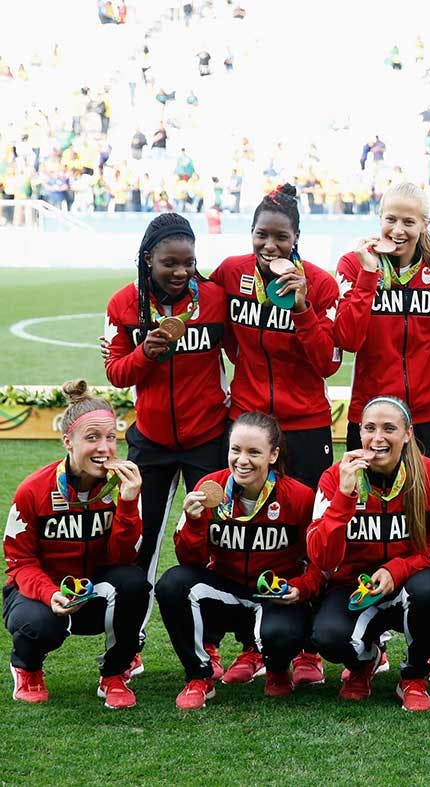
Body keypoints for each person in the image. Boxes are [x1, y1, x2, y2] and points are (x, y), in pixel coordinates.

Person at [104, 212, 228, 647]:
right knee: (139, 545)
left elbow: (244, 352)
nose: (180, 272)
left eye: (188, 263)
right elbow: (116, 373)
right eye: (169, 263)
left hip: (208, 439)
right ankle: (128, 645)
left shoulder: (215, 299)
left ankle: (209, 643)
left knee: (211, 542)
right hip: (151, 442)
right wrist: (145, 354)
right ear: (147, 260)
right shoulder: (124, 303)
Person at [308, 396, 430, 711]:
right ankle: (366, 661)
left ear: (407, 433)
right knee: (328, 637)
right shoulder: (335, 477)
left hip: (411, 587)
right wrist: (344, 497)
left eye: (389, 428)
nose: (378, 438)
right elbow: (322, 558)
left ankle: (414, 676)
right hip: (354, 589)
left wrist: (398, 569)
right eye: (370, 429)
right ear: (359, 433)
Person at [156, 413, 318, 708]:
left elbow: (317, 561)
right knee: (172, 584)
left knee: (281, 633)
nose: (242, 460)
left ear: (273, 455)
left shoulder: (299, 496)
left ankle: (277, 668)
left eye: (254, 452)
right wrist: (194, 523)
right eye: (236, 450)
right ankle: (199, 676)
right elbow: (190, 561)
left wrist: (301, 587)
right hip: (226, 593)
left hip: (275, 596)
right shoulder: (209, 487)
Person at [4, 380, 148, 707]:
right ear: (68, 442)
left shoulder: (123, 486)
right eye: (92, 438)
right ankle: (27, 666)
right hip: (43, 594)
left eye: (110, 437)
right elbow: (20, 562)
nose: (104, 448)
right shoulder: (33, 490)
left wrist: (128, 503)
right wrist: (50, 593)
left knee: (134, 582)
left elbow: (123, 558)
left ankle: (115, 672)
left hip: (94, 592)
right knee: (38, 625)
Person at [333, 182, 430, 488]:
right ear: (379, 217)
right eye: (390, 219)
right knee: (372, 509)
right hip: (373, 415)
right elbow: (348, 340)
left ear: (424, 224)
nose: (398, 230)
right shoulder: (353, 263)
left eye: (409, 222)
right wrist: (368, 275)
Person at [210, 183, 341, 489]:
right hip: (247, 420)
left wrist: (302, 310)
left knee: (307, 511)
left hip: (305, 423)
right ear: (251, 233)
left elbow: (327, 364)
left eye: (281, 237)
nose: (269, 245)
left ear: (296, 237)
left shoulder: (320, 284)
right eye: (262, 235)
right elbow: (215, 325)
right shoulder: (231, 272)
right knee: (242, 511)